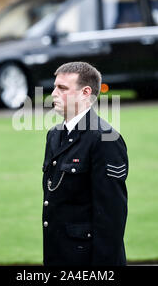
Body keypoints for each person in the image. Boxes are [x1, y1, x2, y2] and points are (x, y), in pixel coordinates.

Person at [42, 62, 128, 266]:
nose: (53, 94)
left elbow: (111, 215)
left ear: (85, 93)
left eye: (62, 88)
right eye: (54, 87)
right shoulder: (54, 135)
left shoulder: (106, 138)